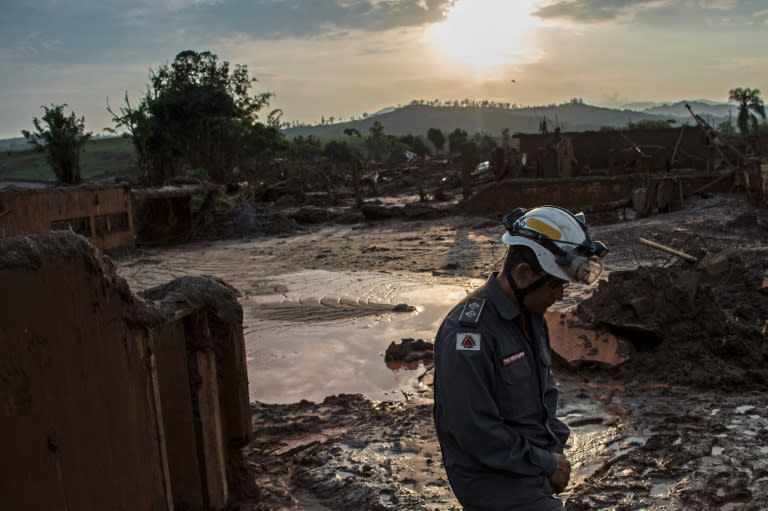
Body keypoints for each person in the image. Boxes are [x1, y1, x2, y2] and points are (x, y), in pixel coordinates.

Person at [433, 205, 608, 511]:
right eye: (556, 285)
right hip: (491, 478)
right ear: (523, 273)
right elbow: (474, 430)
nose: (561, 296)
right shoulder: (468, 334)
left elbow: (545, 395)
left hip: (530, 464)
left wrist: (555, 454)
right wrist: (544, 462)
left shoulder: (531, 315)